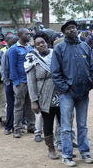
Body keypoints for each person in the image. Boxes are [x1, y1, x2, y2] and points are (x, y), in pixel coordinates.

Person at [51, 20, 93, 167]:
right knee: (66, 126)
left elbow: (91, 68)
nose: (72, 30)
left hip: (83, 93)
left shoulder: (85, 47)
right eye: (68, 29)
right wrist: (65, 88)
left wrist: (89, 83)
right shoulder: (59, 48)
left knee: (82, 125)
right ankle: (67, 155)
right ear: (63, 32)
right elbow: (55, 73)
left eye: (74, 28)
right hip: (67, 93)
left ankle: (85, 153)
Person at [25, 31, 61, 159]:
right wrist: (34, 100)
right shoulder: (31, 58)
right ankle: (51, 148)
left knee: (63, 122)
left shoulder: (55, 54)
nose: (41, 45)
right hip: (44, 96)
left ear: (47, 43)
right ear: (35, 46)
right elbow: (31, 82)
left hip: (60, 94)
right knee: (48, 123)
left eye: (43, 42)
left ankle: (61, 144)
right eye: (38, 44)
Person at [8, 28, 35, 138]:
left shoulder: (30, 48)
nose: (29, 35)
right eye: (26, 34)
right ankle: (17, 128)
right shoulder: (14, 49)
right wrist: (16, 82)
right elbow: (12, 67)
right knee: (18, 106)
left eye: (29, 34)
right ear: (19, 35)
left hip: (30, 81)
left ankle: (31, 126)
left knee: (30, 105)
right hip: (20, 82)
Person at [1, 34, 19, 135]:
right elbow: (3, 69)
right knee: (11, 104)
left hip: (19, 83)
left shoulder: (20, 52)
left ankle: (18, 125)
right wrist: (7, 82)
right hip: (10, 83)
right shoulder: (7, 53)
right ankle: (8, 126)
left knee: (19, 105)